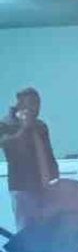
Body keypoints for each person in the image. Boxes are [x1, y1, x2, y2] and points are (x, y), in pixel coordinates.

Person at [0, 88, 58, 229]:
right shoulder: (6, 124)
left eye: (38, 103)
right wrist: (24, 128)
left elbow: (48, 152)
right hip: (22, 187)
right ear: (21, 105)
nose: (36, 108)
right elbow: (8, 145)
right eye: (31, 103)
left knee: (45, 228)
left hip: (44, 185)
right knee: (25, 229)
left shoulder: (40, 126)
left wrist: (55, 174)